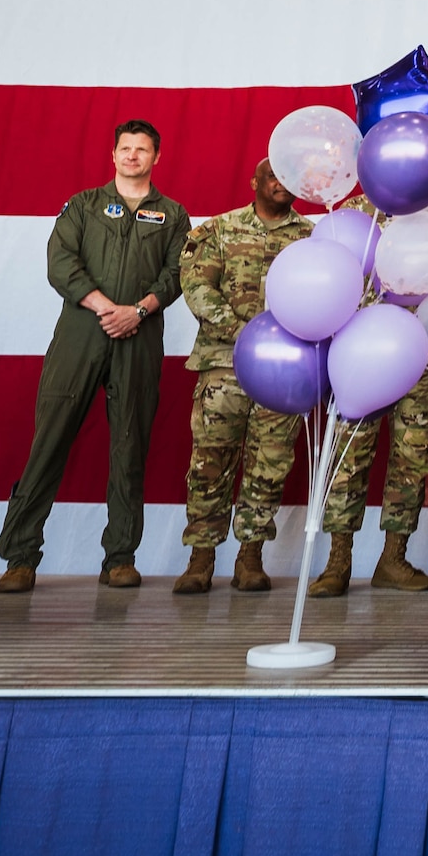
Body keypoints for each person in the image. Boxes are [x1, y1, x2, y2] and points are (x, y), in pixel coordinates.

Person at [0, 120, 191, 593]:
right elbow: (60, 263)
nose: (132, 156)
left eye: (142, 150)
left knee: (130, 448)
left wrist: (138, 311)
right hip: (81, 333)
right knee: (50, 440)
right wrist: (107, 308)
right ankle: (20, 557)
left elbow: (178, 272)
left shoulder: (174, 214)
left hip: (139, 337)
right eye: (126, 148)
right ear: (114, 154)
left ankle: (120, 556)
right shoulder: (83, 206)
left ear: (156, 158)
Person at [172, 160, 313, 595]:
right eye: (273, 176)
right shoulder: (218, 230)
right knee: (210, 462)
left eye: (288, 178)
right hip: (224, 365)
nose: (280, 184)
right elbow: (197, 289)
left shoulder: (312, 239)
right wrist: (247, 335)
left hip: (284, 371)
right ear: (255, 182)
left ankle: (250, 556)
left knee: (269, 464)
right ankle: (201, 557)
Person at [309, 192, 428, 599]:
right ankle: (338, 563)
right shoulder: (353, 216)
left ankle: (393, 559)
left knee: (412, 458)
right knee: (348, 458)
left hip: (419, 356)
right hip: (360, 352)